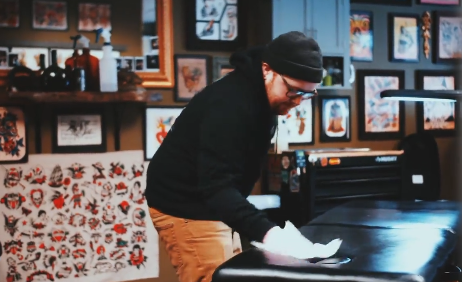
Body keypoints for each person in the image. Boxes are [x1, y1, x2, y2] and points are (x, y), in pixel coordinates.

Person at [146, 31, 333, 282]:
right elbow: (215, 186)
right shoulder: (230, 106)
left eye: (307, 94)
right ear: (267, 70)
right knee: (215, 277)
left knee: (233, 276)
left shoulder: (264, 96)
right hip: (185, 202)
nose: (298, 101)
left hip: (212, 200)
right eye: (294, 91)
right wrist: (269, 233)